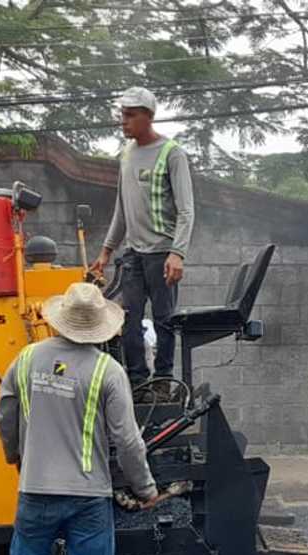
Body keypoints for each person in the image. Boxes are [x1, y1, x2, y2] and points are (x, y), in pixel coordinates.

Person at [0, 282, 159, 555]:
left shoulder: (27, 359)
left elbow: (3, 415)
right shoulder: (108, 371)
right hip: (88, 498)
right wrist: (146, 488)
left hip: (35, 491)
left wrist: (15, 456)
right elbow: (128, 440)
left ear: (59, 320)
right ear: (100, 326)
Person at [90, 86, 195, 391]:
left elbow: (187, 210)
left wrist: (178, 253)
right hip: (133, 253)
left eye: (130, 116)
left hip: (163, 252)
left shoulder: (171, 154)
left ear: (148, 117)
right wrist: (107, 250)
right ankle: (137, 381)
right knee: (127, 317)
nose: (123, 122)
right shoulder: (126, 156)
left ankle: (162, 382)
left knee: (164, 321)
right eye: (122, 115)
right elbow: (122, 209)